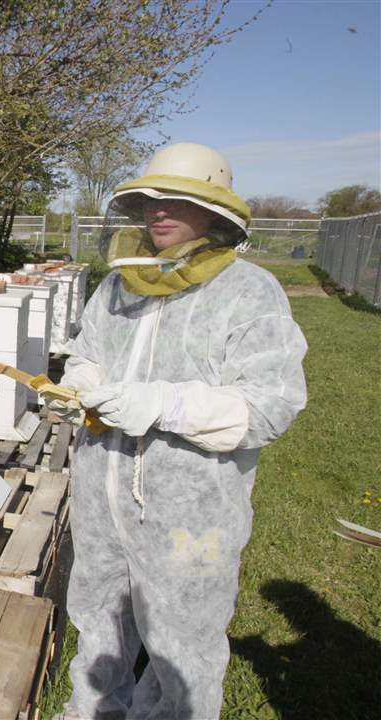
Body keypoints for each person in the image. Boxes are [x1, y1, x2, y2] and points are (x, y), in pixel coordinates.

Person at [51, 143, 308, 719]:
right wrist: (82, 384)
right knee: (97, 625)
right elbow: (87, 352)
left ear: (213, 213)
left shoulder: (248, 291)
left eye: (176, 202)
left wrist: (162, 404)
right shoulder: (121, 283)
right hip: (101, 495)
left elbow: (269, 406)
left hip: (190, 513)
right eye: (147, 201)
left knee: (182, 647)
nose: (157, 212)